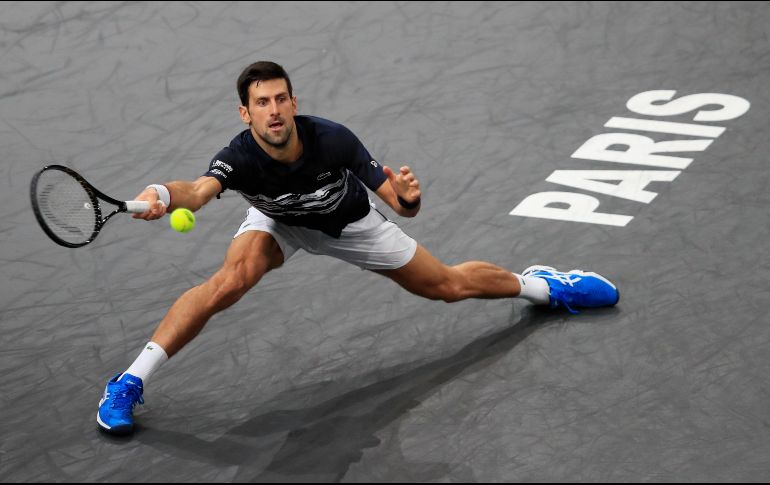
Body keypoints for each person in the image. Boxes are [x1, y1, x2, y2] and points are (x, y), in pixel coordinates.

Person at [96, 61, 619, 435]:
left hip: (349, 223)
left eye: (281, 99)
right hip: (278, 223)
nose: (273, 111)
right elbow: (200, 190)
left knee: (448, 286)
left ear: (294, 103)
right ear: (245, 113)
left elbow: (398, 200)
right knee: (228, 282)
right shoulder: (239, 158)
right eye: (262, 103)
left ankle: (545, 285)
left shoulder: (333, 139)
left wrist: (410, 199)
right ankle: (128, 381)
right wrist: (162, 195)